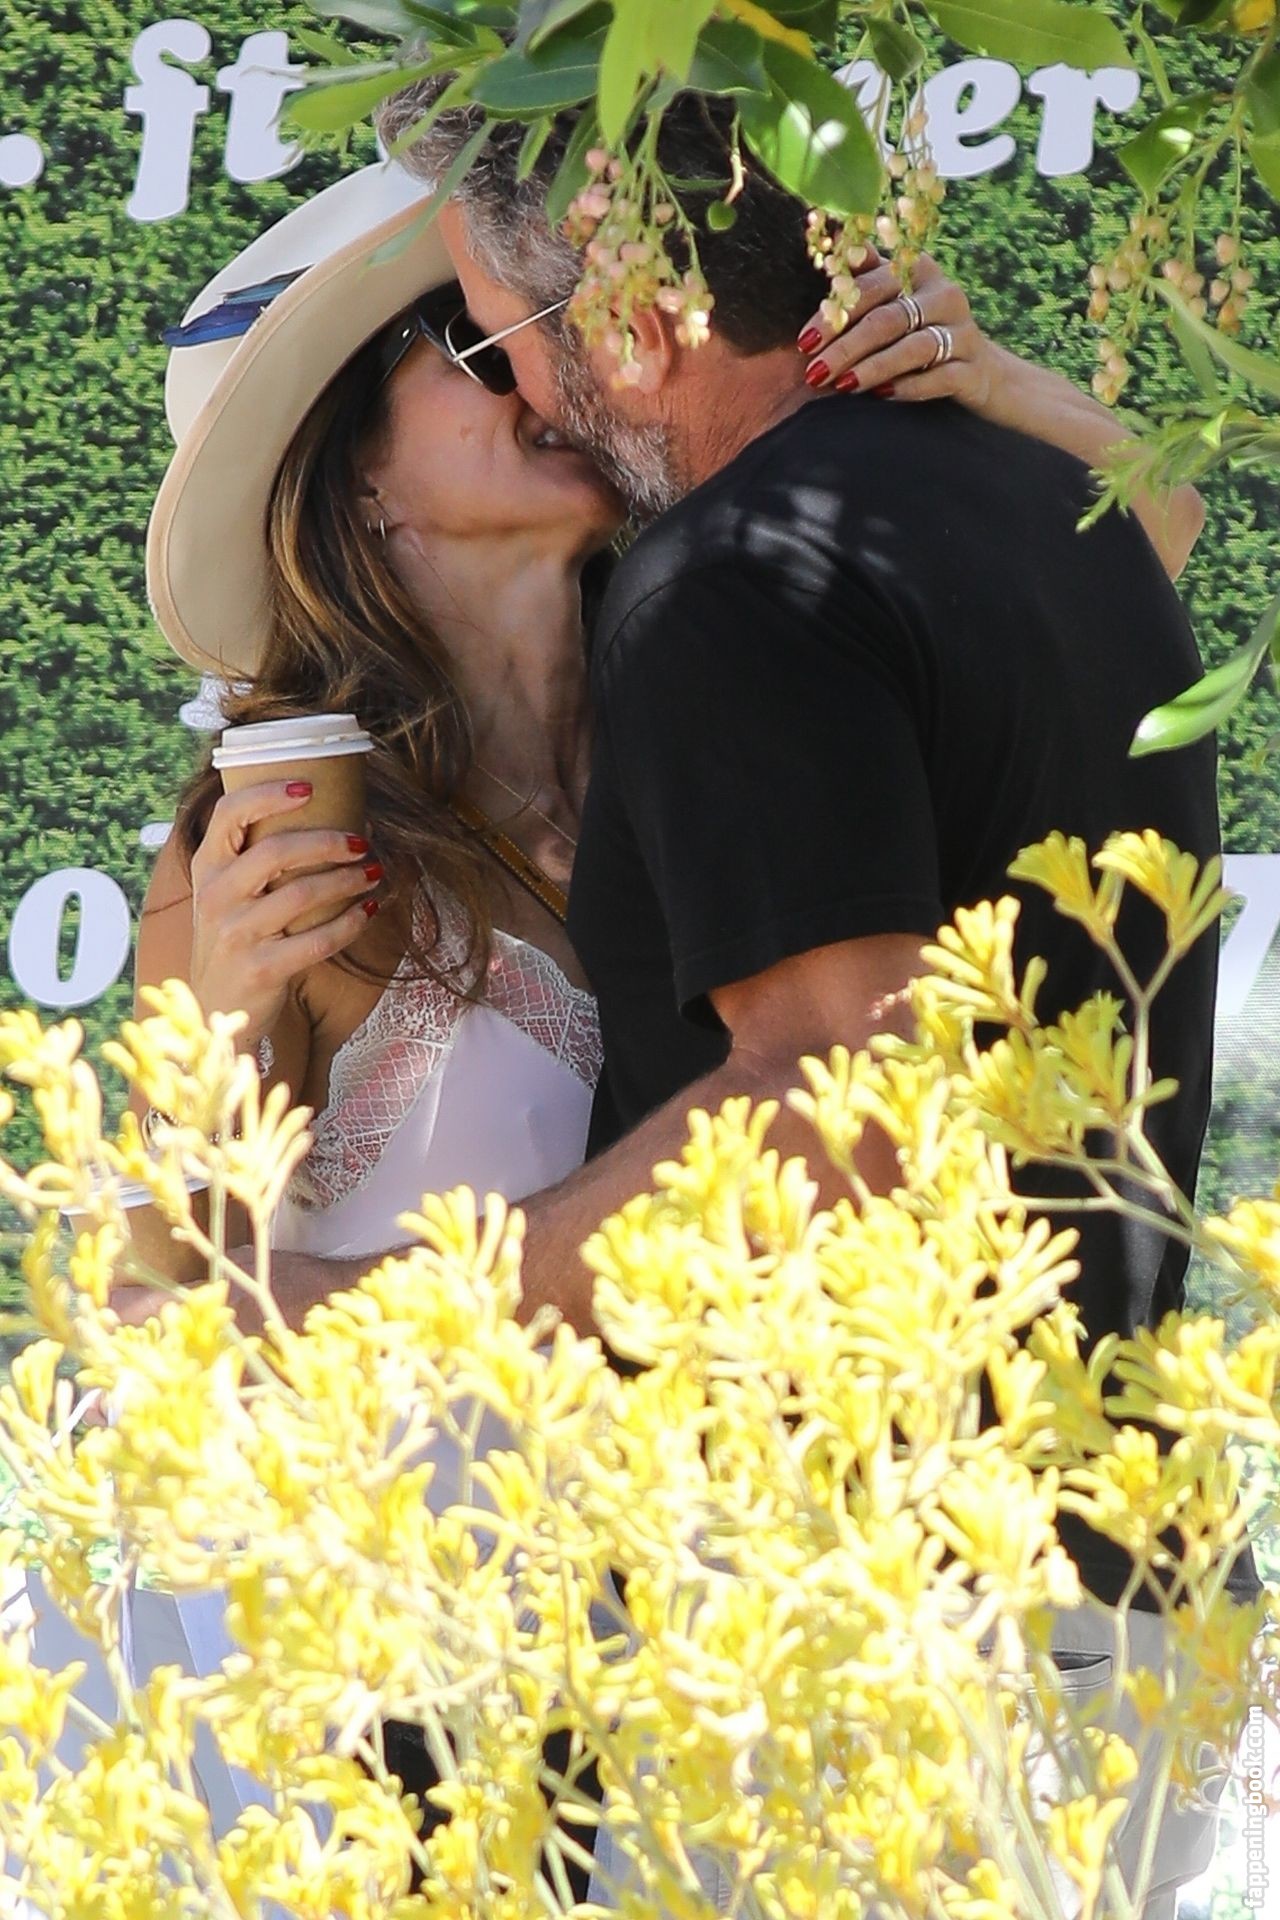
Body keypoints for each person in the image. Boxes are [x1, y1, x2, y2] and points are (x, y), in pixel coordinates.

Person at [54, 156, 1191, 1861]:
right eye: (471, 338)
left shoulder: (728, 668)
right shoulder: (270, 842)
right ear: (354, 473)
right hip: (401, 1648)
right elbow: (166, 1304)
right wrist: (209, 1020)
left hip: (712, 1629)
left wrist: (993, 391)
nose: (543, 353)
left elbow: (1120, 575)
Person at [314, 82, 1259, 1918]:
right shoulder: (1047, 501)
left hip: (872, 1623)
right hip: (1121, 1562)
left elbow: (841, 1106)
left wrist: (379, 1305)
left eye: (510, 342)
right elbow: (1163, 513)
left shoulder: (734, 585)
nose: (529, 398)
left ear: (633, 316)